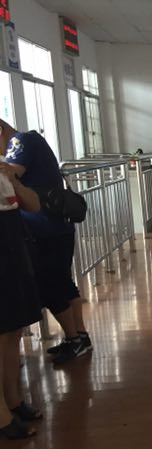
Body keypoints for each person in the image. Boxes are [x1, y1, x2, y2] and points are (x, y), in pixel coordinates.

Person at [0, 119, 92, 365]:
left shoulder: (21, 141)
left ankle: (74, 338)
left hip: (44, 228)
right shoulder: (29, 141)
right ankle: (80, 337)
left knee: (50, 284)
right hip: (54, 226)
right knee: (61, 281)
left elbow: (9, 175)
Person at [0, 170, 44, 439]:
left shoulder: (5, 172)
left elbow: (34, 205)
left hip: (12, 244)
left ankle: (13, 400)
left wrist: (14, 180)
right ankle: (2, 415)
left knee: (13, 329)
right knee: (2, 331)